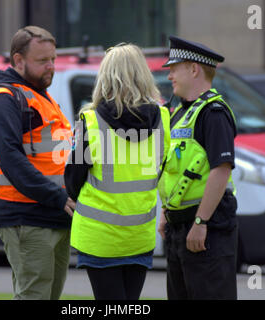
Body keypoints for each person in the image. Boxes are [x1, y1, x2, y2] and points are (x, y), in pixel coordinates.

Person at [64, 43, 171, 300]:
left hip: (99, 235)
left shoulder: (90, 121)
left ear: (105, 77)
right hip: (140, 234)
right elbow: (164, 172)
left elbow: (72, 179)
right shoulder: (164, 119)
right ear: (143, 76)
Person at [0, 26, 75, 300]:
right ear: (19, 61)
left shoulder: (39, 95)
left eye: (53, 59)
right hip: (27, 216)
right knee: (34, 296)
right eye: (43, 61)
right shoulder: (3, 99)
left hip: (53, 214)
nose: (51, 67)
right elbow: (10, 160)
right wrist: (56, 196)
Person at [157, 36, 238, 300]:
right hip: (179, 226)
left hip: (207, 227)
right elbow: (174, 169)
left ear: (193, 69)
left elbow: (221, 169)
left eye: (174, 68)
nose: (169, 75)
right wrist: (166, 212)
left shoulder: (213, 113)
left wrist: (201, 222)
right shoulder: (179, 113)